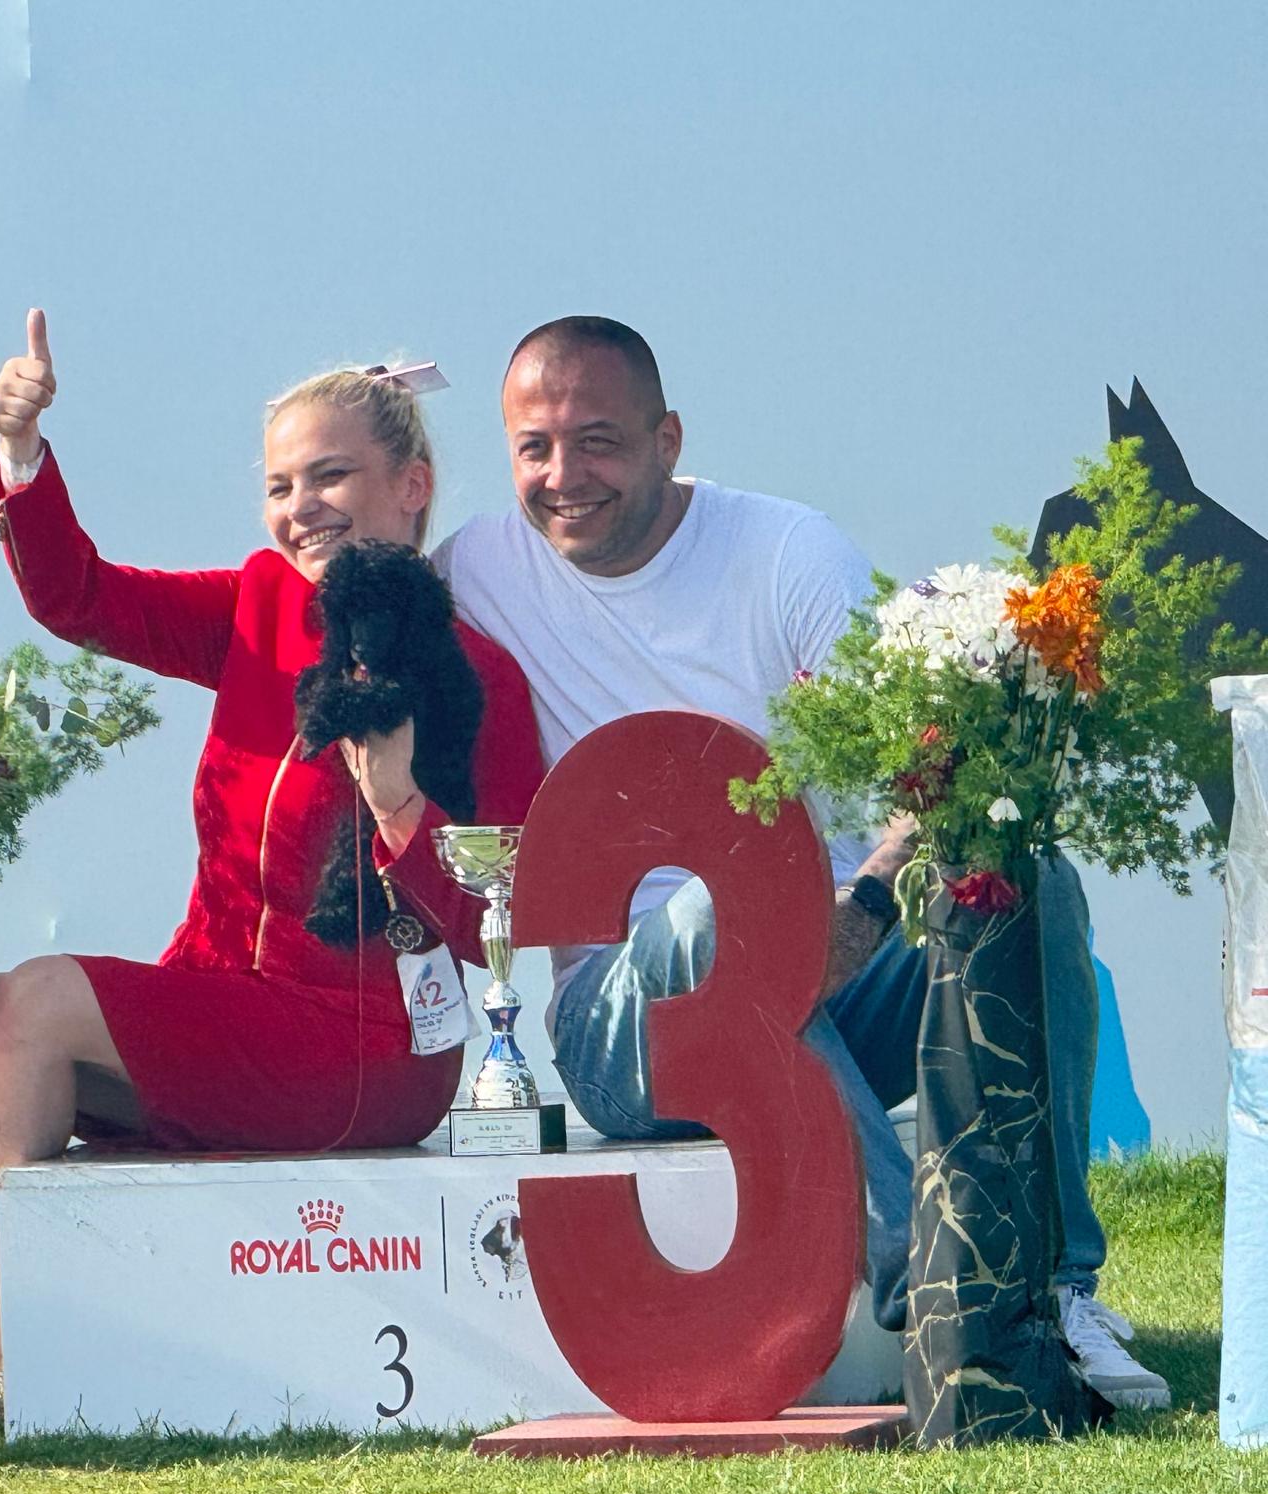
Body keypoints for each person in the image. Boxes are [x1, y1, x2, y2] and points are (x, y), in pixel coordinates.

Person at [0, 312, 544, 1438]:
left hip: (365, 1048)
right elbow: (83, 598)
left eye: (331, 475)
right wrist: (21, 454)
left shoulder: (476, 671)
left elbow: (507, 909)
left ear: (413, 487)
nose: (301, 507)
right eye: (280, 485)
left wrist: (399, 806)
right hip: (224, 1004)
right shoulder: (256, 605)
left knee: (43, 995)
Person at [434, 314, 1171, 1410]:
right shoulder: (475, 568)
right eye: (532, 448)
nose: (562, 475)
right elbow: (326, 594)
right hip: (624, 1024)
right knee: (712, 912)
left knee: (1029, 877)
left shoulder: (786, 552)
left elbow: (935, 751)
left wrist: (861, 905)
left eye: (597, 441)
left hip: (833, 965)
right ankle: (940, 1291)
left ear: (667, 439)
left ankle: (1060, 1292)